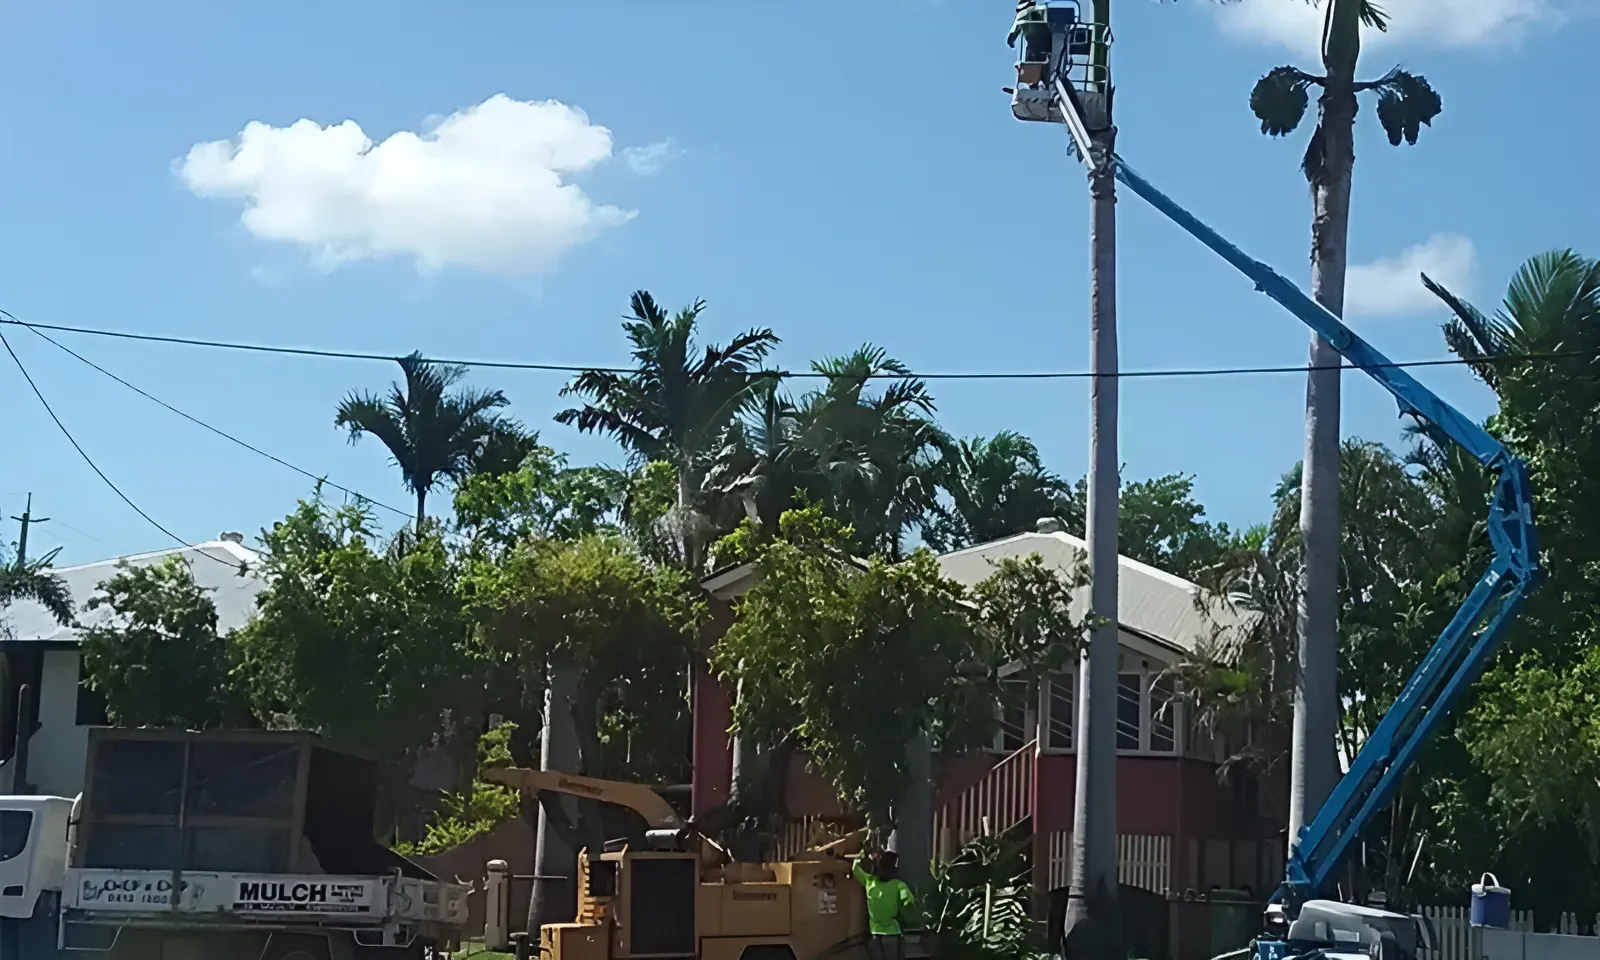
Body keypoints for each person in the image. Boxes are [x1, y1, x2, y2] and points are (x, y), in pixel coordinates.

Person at [852, 850, 916, 960]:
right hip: (892, 932)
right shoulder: (899, 885)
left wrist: (862, 854)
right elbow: (908, 902)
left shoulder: (869, 881)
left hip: (875, 934)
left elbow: (855, 868)